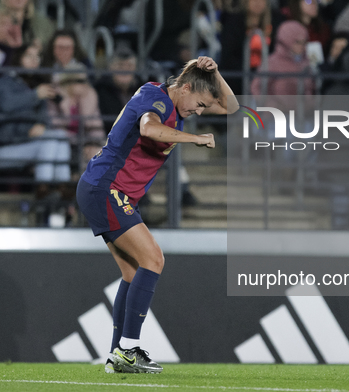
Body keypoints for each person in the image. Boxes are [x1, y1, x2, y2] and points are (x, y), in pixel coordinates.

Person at [76, 56, 239, 373]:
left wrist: (216, 72)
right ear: (186, 87)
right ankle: (128, 350)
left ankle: (116, 356)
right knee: (154, 259)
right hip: (107, 188)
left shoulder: (172, 101)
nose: (199, 111)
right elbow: (149, 128)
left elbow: (232, 107)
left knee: (133, 272)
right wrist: (194, 138)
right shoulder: (159, 101)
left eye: (204, 107)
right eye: (200, 103)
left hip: (105, 189)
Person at [0, 43, 71, 183]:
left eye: (37, 57)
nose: (34, 60)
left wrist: (41, 125)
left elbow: (44, 118)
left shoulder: (36, 85)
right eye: (29, 56)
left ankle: (61, 189)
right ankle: (44, 192)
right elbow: (6, 105)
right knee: (50, 142)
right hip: (2, 147)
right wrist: (34, 95)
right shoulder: (4, 83)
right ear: (18, 58)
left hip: (29, 143)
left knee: (60, 136)